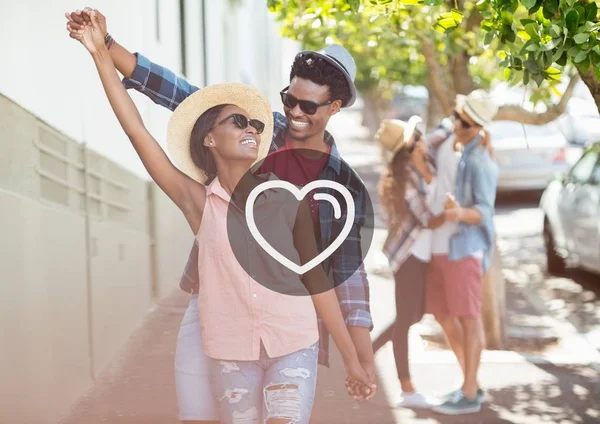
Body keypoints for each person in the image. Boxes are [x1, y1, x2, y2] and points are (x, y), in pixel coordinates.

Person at [69, 12, 372, 424]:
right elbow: (166, 106)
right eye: (288, 99)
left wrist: (357, 357)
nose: (292, 112)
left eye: (308, 106)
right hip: (219, 307)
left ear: (333, 107)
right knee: (198, 410)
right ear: (210, 137)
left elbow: (338, 276)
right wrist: (104, 49)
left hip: (288, 328)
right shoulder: (217, 185)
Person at [425, 90, 499, 415]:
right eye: (456, 117)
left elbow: (484, 210)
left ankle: (470, 393)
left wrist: (457, 213)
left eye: (462, 122)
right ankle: (471, 384)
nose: (455, 124)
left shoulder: (480, 160)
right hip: (448, 247)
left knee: (469, 319)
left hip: (466, 248)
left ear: (476, 127)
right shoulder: (466, 147)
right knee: (444, 313)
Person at [375, 117, 445, 409]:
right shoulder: (404, 176)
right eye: (418, 136)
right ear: (409, 146)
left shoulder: (417, 167)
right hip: (408, 257)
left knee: (413, 315)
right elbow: (427, 219)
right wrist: (457, 214)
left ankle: (367, 352)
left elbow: (442, 136)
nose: (423, 139)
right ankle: (406, 388)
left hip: (418, 255)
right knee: (406, 319)